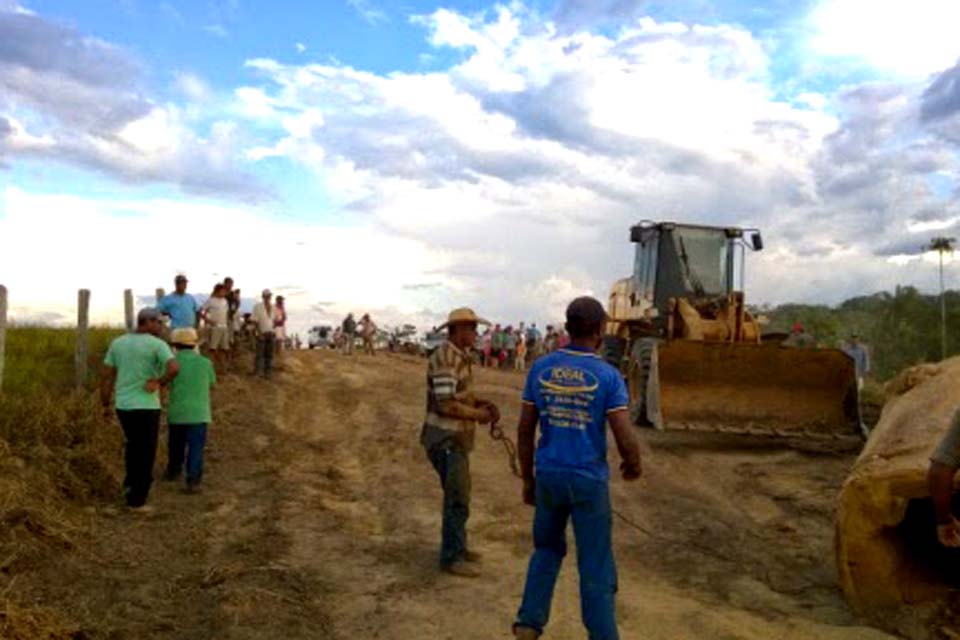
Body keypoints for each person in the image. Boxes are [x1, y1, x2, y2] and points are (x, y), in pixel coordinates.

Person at [512, 296, 642, 640]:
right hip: (588, 482)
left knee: (546, 550)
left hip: (549, 478)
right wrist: (634, 463)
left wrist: (528, 479)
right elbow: (623, 432)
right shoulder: (608, 376)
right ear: (600, 330)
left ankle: (528, 623)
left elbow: (525, 428)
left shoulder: (541, 368)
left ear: (568, 328)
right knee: (595, 563)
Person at [421, 307, 501, 578]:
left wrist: (479, 403)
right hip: (446, 438)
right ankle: (452, 556)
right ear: (455, 331)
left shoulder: (458, 357)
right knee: (457, 498)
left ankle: (457, 547)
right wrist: (479, 414)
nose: (474, 333)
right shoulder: (446, 358)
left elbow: (457, 396)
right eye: (469, 328)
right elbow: (446, 404)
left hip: (452, 438)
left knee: (459, 496)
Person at [99, 308, 180, 511]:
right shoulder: (157, 345)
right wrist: (159, 382)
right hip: (146, 406)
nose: (161, 327)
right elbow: (174, 368)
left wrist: (105, 404)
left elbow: (106, 376)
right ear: (148, 322)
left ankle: (129, 487)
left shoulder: (117, 343)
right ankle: (137, 500)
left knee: (132, 447)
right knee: (146, 451)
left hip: (123, 406)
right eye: (158, 323)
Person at [164, 328, 216, 493]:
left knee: (176, 445)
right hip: (199, 413)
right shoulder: (205, 363)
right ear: (194, 345)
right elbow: (212, 384)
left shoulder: (171, 363)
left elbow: (165, 383)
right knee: (196, 447)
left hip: (177, 412)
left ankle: (173, 471)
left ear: (175, 346)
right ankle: (193, 480)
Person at [201, 283, 230, 373]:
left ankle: (223, 367)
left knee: (225, 348)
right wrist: (208, 321)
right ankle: (211, 367)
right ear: (217, 291)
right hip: (215, 327)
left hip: (224, 327)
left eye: (225, 291)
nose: (224, 293)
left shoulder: (225, 301)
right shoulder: (211, 300)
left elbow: (226, 313)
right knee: (212, 348)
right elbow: (201, 311)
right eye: (222, 291)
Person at [252, 289, 277, 378]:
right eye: (266, 296)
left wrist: (274, 330)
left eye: (269, 296)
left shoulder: (273, 307)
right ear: (263, 296)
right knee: (259, 354)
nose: (268, 297)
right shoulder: (257, 307)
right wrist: (259, 333)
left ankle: (268, 372)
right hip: (262, 332)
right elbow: (254, 321)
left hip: (271, 332)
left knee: (269, 354)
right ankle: (258, 372)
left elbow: (275, 320)